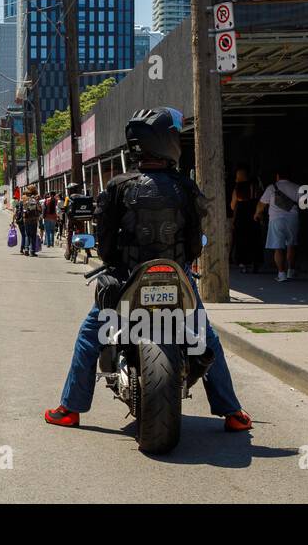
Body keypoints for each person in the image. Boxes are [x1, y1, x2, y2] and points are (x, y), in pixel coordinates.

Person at [43, 107, 252, 433]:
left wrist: (116, 262)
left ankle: (70, 409)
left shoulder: (117, 187)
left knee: (90, 337)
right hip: (176, 275)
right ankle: (232, 412)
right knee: (205, 335)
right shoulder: (185, 188)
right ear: (168, 143)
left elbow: (106, 245)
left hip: (126, 278)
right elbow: (196, 244)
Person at [254, 167, 299, 282]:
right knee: (291, 245)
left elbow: (261, 204)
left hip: (276, 219)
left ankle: (281, 274)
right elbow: (305, 205)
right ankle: (291, 271)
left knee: (278, 248)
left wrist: (257, 214)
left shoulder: (271, 188)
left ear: (277, 176)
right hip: (292, 218)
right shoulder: (297, 187)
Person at [229, 164, 262, 273]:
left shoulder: (237, 188)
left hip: (241, 215)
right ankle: (255, 262)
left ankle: (243, 264)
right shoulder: (254, 186)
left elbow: (233, 205)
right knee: (254, 239)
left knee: (241, 240)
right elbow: (259, 199)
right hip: (252, 214)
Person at [21, 185, 42, 256]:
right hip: (33, 219)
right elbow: (39, 209)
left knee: (27, 235)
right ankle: (32, 251)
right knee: (33, 235)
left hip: (26, 219)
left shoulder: (24, 199)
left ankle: (26, 249)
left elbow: (22, 210)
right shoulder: (35, 200)